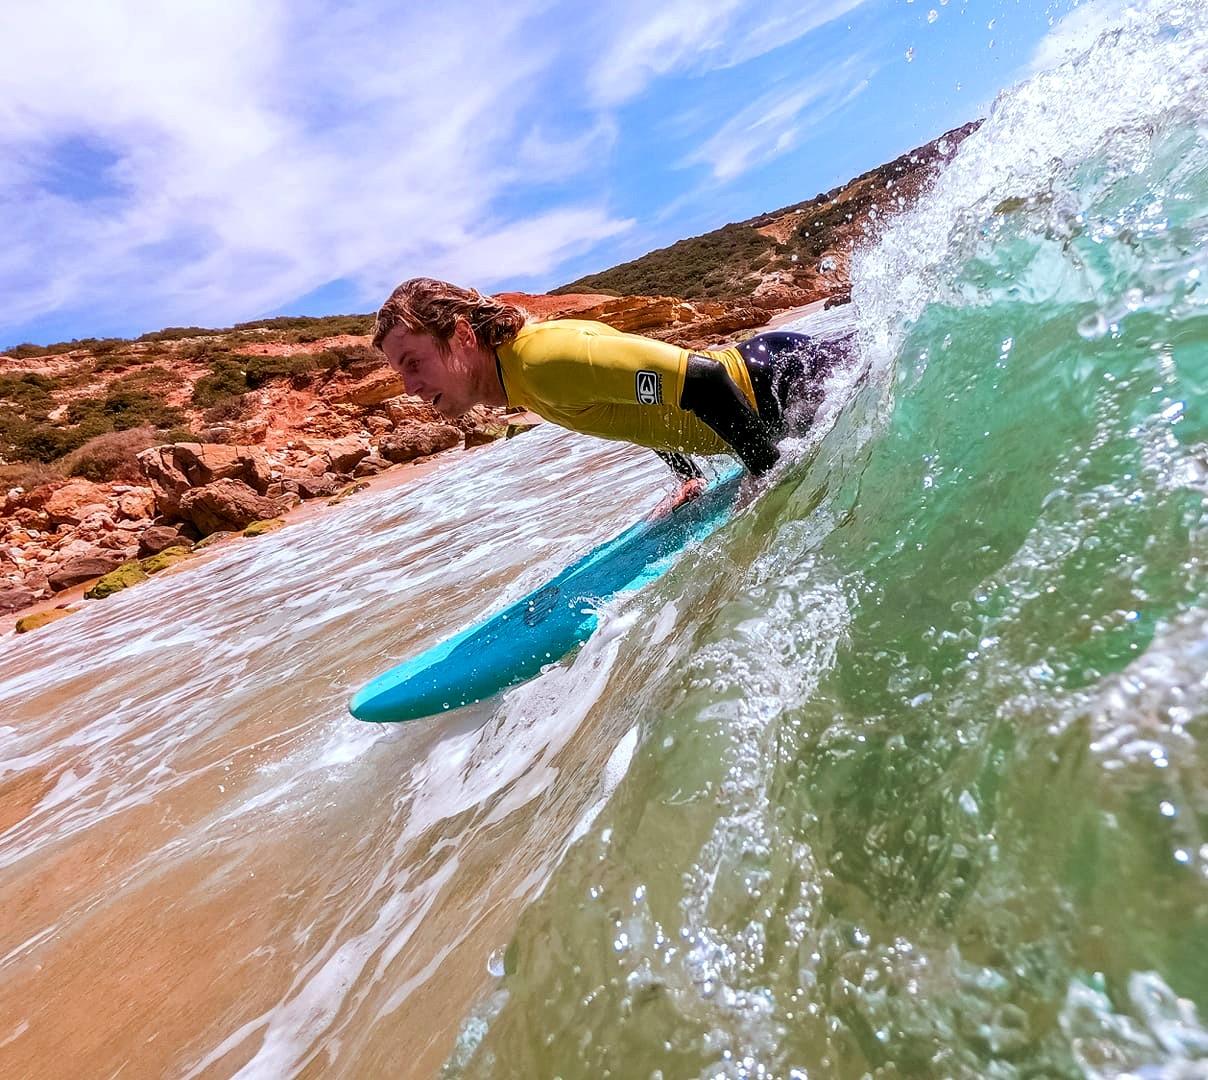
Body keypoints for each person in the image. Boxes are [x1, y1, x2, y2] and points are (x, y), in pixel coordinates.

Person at [371, 278, 850, 512]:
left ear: (461, 336)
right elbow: (638, 398)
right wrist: (688, 476)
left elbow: (704, 381)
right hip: (770, 399)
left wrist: (771, 477)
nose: (411, 387)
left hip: (787, 380)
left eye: (414, 363)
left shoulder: (542, 362)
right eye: (400, 372)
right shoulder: (516, 375)